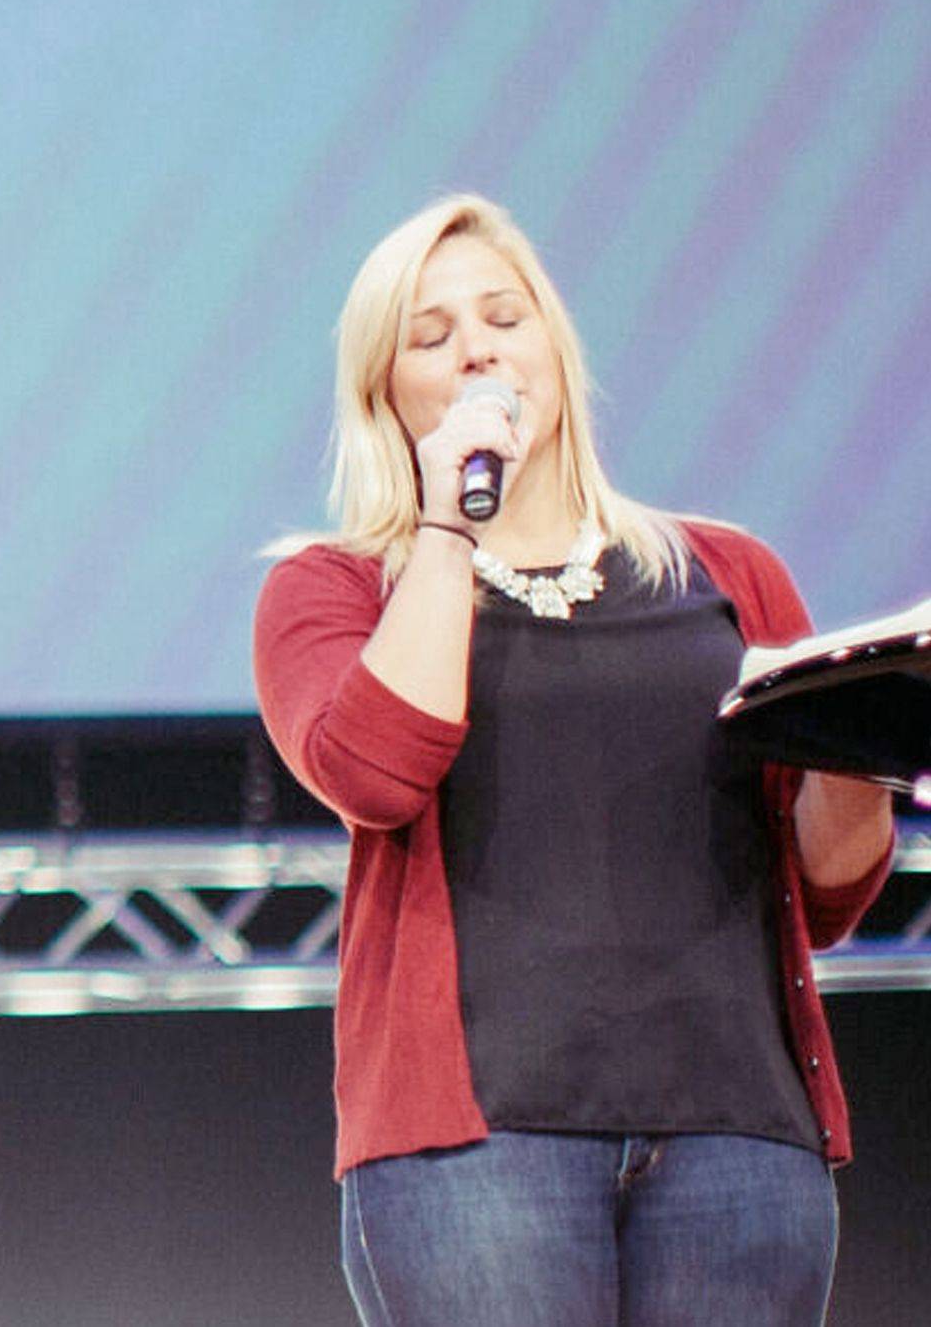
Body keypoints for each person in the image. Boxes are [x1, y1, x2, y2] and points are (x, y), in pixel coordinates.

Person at [252, 193, 897, 1325]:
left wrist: (866, 742)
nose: (480, 349)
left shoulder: (728, 574)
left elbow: (832, 888)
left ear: (554, 345)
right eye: (432, 332)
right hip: (475, 1156)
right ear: (383, 393)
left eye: (506, 316)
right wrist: (449, 524)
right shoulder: (338, 589)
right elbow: (379, 771)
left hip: (739, 1140)